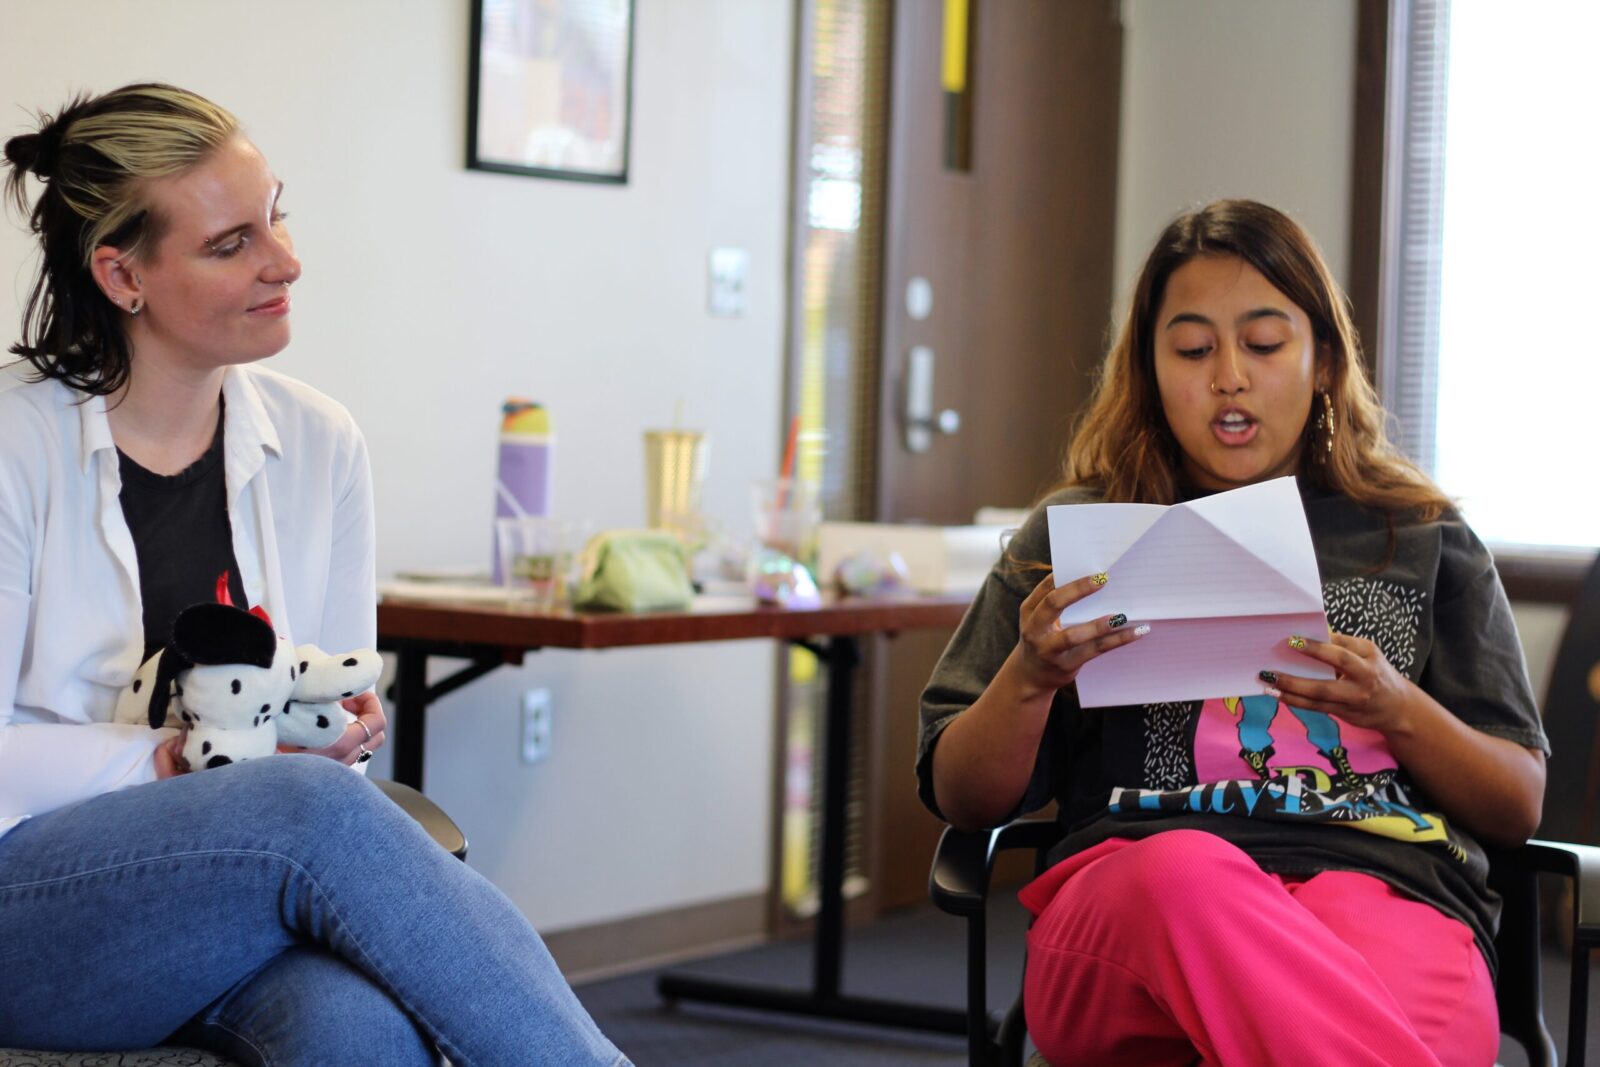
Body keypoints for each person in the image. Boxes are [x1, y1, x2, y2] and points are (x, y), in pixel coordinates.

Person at [0, 83, 629, 1066]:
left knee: (357, 1029)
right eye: (229, 242)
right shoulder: (11, 443)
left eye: (275, 215)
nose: (285, 260)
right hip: (30, 907)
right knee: (316, 814)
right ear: (123, 273)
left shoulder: (318, 442)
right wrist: (166, 767)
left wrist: (340, 730)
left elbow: (332, 710)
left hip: (223, 893)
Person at [918, 200, 1547, 1067]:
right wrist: (1028, 677)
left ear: (1323, 360)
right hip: (1135, 903)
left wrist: (1399, 710)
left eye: (1262, 344)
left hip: (1385, 886)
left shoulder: (1420, 534)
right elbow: (964, 796)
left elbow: (1517, 802)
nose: (1228, 378)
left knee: (1365, 993)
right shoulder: (1077, 535)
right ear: (1148, 365)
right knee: (1185, 871)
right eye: (1192, 349)